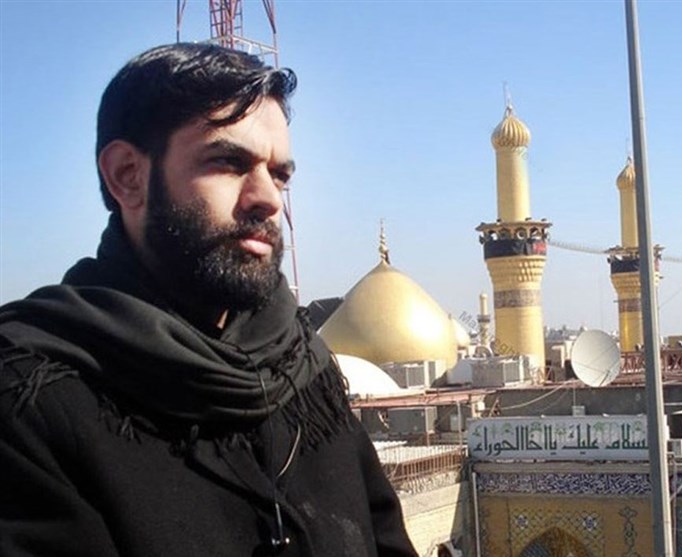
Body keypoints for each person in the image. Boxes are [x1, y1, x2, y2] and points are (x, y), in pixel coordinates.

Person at [0, 43, 417, 557]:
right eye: (228, 162)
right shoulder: (33, 398)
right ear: (128, 175)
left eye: (279, 174)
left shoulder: (301, 366)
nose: (269, 198)